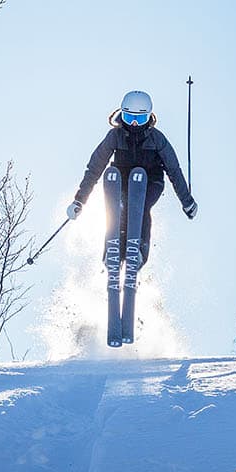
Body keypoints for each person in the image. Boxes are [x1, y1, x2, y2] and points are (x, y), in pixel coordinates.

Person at [65, 89, 197, 345]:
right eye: (129, 117)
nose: (134, 124)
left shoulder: (158, 140)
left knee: (140, 203)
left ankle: (138, 250)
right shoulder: (114, 136)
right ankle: (113, 249)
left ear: (149, 118)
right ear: (121, 115)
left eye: (139, 119)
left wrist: (187, 201)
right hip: (120, 183)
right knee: (118, 208)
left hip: (149, 183)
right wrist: (80, 200)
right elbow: (95, 166)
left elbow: (174, 170)